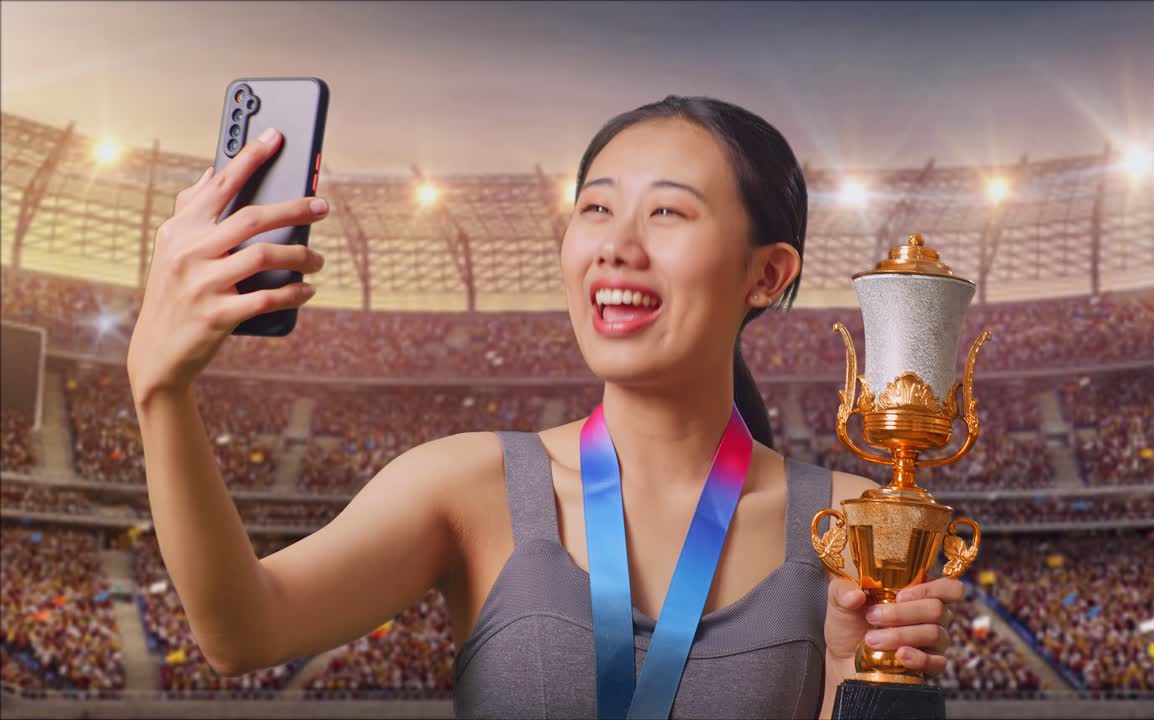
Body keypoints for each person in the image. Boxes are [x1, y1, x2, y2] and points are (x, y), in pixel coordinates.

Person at [127, 95, 962, 719]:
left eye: (667, 211)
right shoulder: (468, 484)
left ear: (768, 274)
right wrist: (160, 391)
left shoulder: (861, 528)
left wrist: (857, 674)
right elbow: (242, 631)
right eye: (596, 207)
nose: (615, 244)